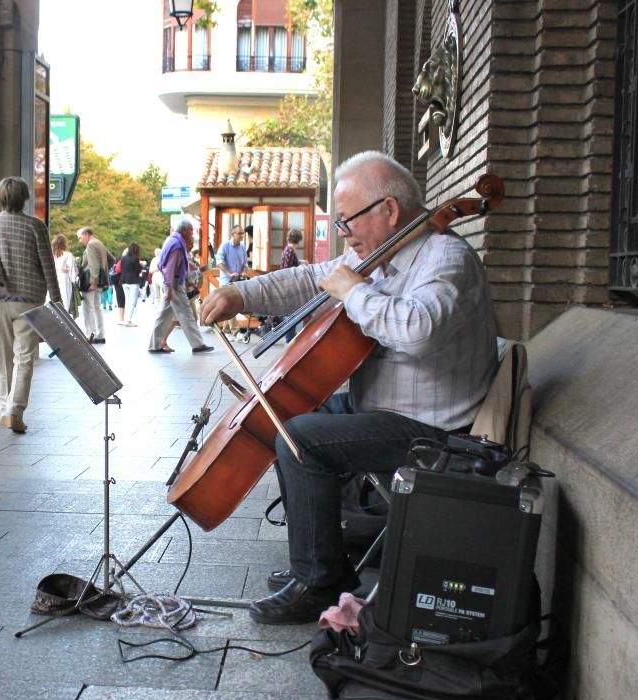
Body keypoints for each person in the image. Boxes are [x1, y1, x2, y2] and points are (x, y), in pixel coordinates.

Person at [200, 151, 499, 624]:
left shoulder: (448, 258)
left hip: (435, 428)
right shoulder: (380, 255)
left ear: (389, 210)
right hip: (388, 409)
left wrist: (354, 292)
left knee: (301, 439)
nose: (345, 233)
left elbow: (417, 331)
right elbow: (308, 278)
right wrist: (240, 293)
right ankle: (320, 560)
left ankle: (319, 582)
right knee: (287, 415)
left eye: (347, 221)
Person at [0, 177, 62, 434]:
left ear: (0, 197)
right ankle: (14, 410)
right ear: (25, 197)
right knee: (24, 357)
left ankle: (3, 409)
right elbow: (48, 267)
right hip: (29, 300)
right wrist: (58, 302)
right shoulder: (36, 227)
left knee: (3, 358)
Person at [147, 219, 214, 355]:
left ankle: (154, 345)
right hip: (175, 284)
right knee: (186, 314)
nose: (191, 234)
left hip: (172, 283)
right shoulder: (177, 245)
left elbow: (163, 264)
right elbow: (170, 268)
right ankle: (198, 344)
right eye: (190, 231)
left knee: (164, 316)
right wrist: (170, 288)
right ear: (184, 231)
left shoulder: (172, 241)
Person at [76, 227, 107, 343]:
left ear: (86, 234)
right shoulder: (100, 244)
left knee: (88, 308)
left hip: (90, 281)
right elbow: (111, 259)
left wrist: (93, 281)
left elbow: (93, 264)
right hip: (99, 280)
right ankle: (100, 334)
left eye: (80, 237)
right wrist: (102, 274)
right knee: (97, 308)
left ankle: (91, 334)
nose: (80, 241)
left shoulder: (91, 245)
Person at [50, 234, 79, 317]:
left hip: (52, 282)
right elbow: (73, 273)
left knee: (53, 305)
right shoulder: (68, 255)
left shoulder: (50, 255)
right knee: (65, 304)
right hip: (64, 282)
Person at [116, 243, 143, 326]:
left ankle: (126, 319)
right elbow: (137, 270)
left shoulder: (123, 258)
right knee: (132, 301)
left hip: (124, 281)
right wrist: (141, 265)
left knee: (127, 301)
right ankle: (129, 320)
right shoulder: (135, 259)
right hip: (133, 281)